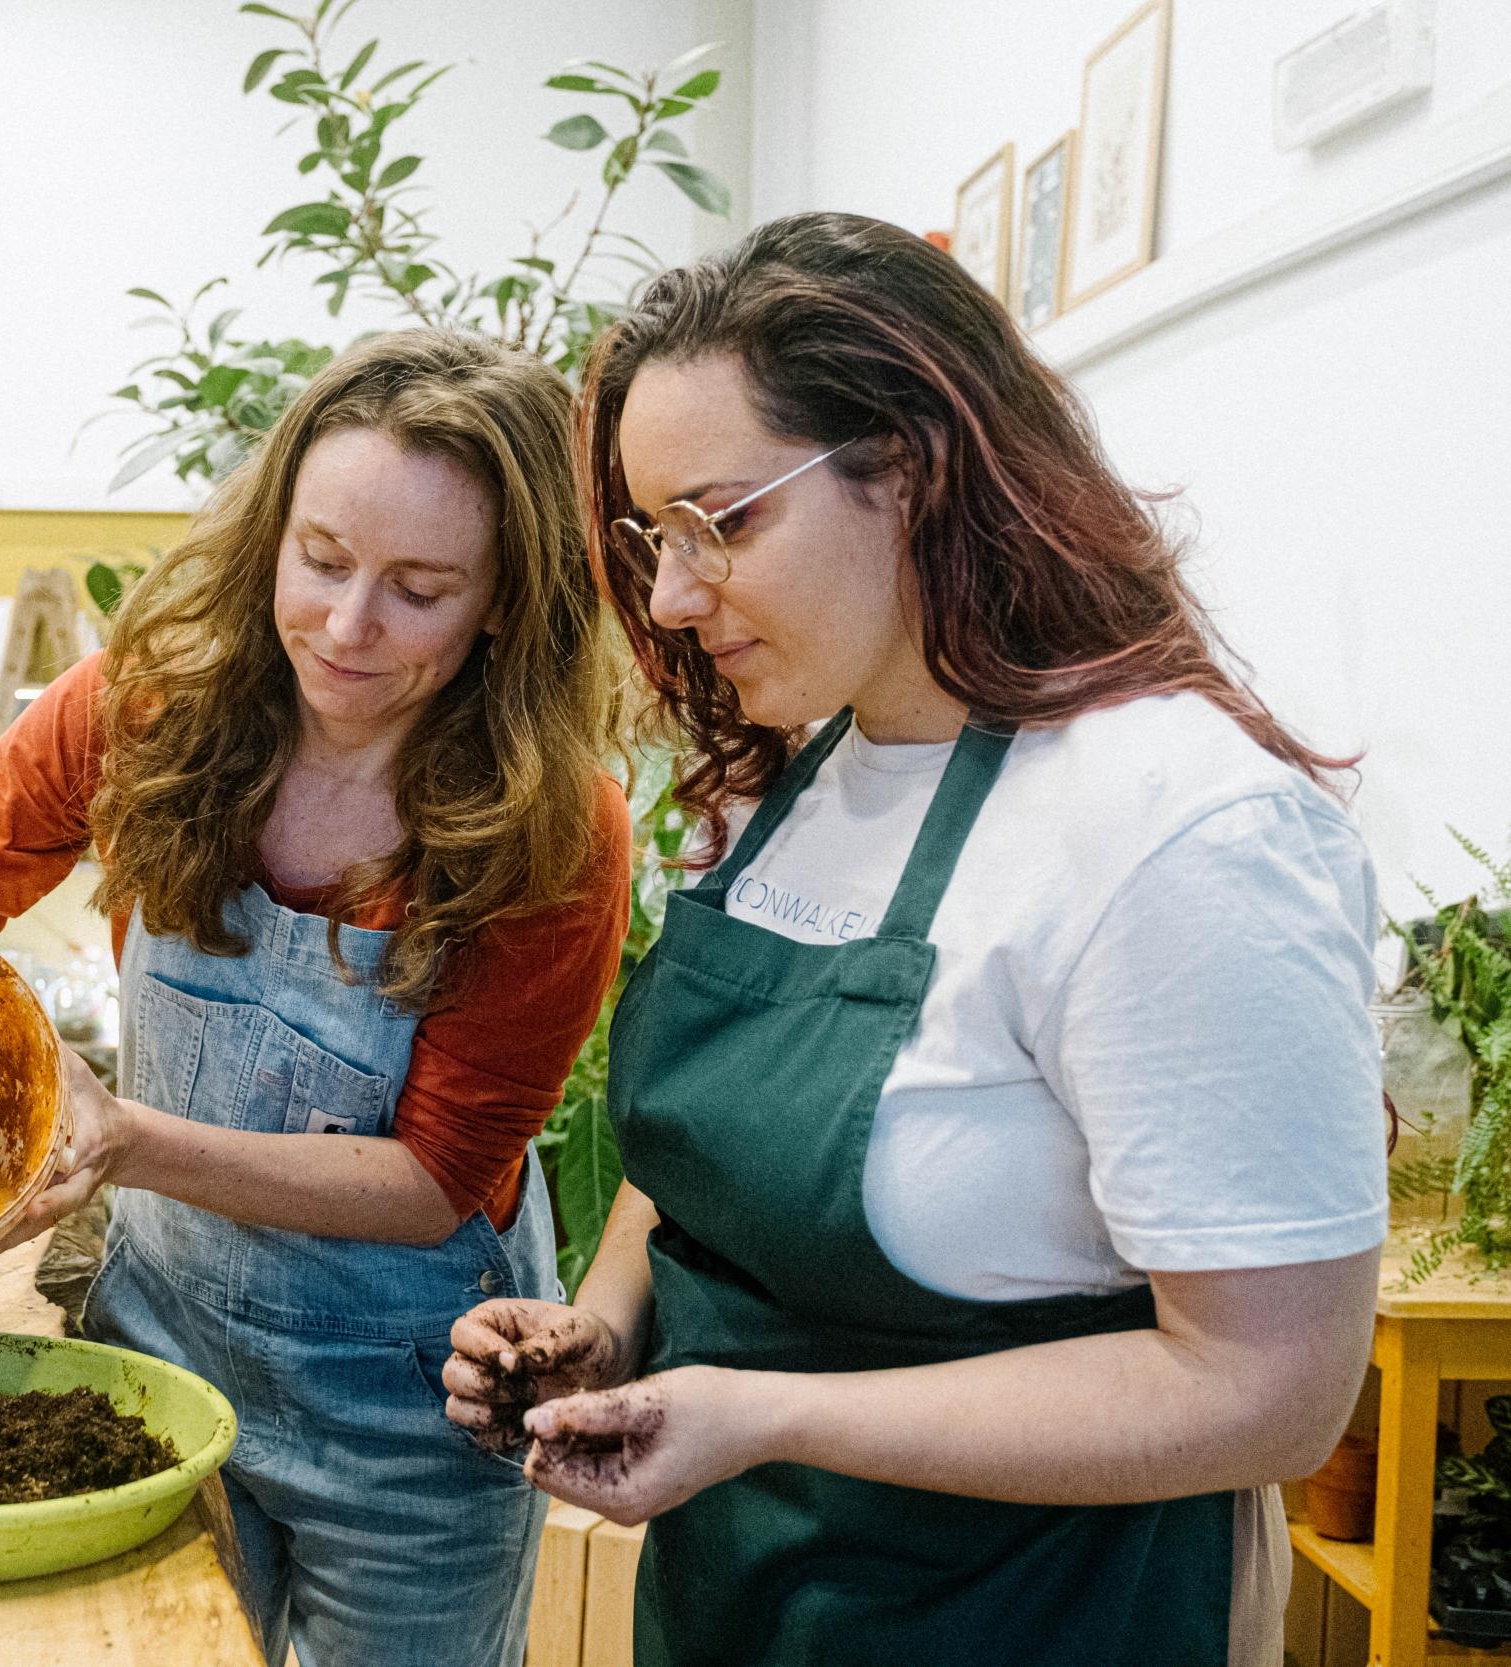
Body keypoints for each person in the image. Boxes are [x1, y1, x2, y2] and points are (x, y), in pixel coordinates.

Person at [442, 213, 1387, 1667]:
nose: (676, 598)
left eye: (724, 520)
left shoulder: (1175, 830)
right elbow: (704, 1155)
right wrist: (611, 1326)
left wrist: (769, 1411)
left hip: (1029, 1617)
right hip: (744, 1605)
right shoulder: (801, 774)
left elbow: (1271, 1393)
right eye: (649, 540)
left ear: (918, 466)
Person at [0, 329, 632, 1666]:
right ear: (273, 530)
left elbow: (438, 1176)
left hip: (410, 1408)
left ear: (505, 600)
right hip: (161, 1363)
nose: (347, 625)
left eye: (421, 590)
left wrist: (130, 1144)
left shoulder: (549, 829)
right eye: (321, 559)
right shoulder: (152, 710)